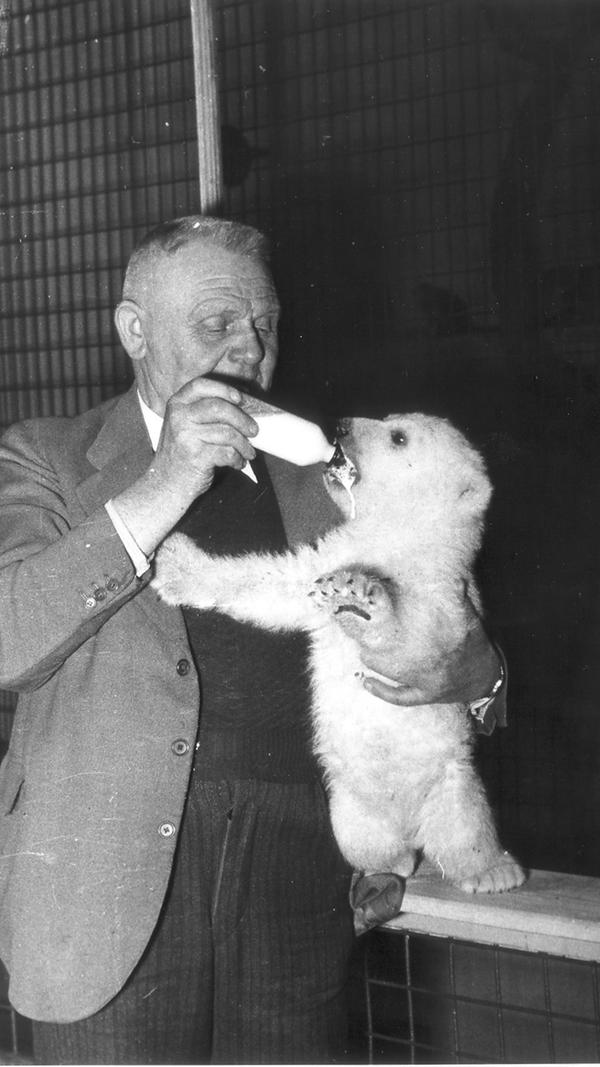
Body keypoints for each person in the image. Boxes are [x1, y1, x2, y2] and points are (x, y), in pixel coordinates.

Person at [0, 216, 505, 1065]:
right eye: (216, 324)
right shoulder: (43, 456)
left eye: (263, 326)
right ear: (135, 332)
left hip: (297, 888)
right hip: (105, 892)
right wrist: (167, 482)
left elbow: (467, 644)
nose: (248, 348)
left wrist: (475, 675)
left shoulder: (331, 467)